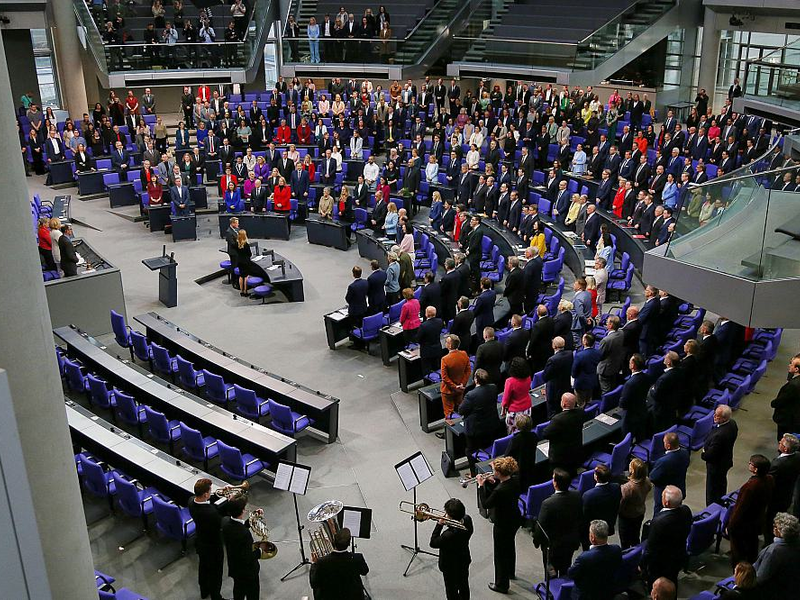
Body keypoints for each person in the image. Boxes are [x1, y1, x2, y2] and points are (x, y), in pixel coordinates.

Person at [478, 456, 521, 594]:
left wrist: (480, 485)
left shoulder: (500, 490)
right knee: (509, 546)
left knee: (500, 554)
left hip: (502, 524)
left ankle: (501, 584)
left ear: (499, 473)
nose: (493, 472)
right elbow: (501, 492)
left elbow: (486, 503)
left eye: (494, 471)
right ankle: (510, 572)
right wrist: (492, 482)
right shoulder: (514, 481)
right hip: (514, 519)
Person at [641, 485, 692, 591]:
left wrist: (642, 564)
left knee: (659, 589)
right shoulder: (686, 511)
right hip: (678, 556)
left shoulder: (659, 522)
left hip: (660, 564)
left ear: (666, 502)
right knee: (672, 582)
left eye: (662, 495)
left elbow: (651, 548)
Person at [728, 454, 774, 565]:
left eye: (751, 464)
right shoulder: (770, 479)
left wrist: (730, 526)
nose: (749, 464)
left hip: (744, 524)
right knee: (752, 544)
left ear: (756, 469)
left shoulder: (750, 487)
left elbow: (740, 508)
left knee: (738, 551)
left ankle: (740, 572)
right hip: (757, 519)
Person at [536, 468, 583, 577]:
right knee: (565, 568)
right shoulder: (577, 496)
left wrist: (537, 541)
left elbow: (541, 525)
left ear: (555, 484)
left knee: (550, 573)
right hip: (570, 542)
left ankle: (551, 591)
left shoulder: (548, 504)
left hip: (552, 547)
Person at [221, 497, 266, 600]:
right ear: (242, 511)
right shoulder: (244, 534)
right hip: (248, 571)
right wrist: (260, 549)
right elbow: (249, 555)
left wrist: (253, 517)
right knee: (253, 594)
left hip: (235, 567)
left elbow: (239, 526)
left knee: (238, 590)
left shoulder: (225, 521)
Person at [188, 479, 225, 600]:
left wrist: (215, 495)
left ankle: (204, 591)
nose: (211, 492)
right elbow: (221, 523)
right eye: (210, 490)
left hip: (200, 541)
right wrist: (228, 501)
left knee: (203, 567)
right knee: (216, 572)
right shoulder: (211, 513)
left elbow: (207, 503)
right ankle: (216, 596)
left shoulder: (191, 501)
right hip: (213, 546)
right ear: (205, 494)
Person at [430, 498, 474, 600]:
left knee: (451, 591)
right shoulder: (467, 519)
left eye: (446, 513)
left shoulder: (448, 535)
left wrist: (439, 525)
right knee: (463, 585)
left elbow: (433, 543)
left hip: (450, 566)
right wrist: (449, 523)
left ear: (451, 516)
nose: (445, 514)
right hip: (463, 560)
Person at [460, 368, 502, 473]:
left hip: (475, 429)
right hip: (491, 424)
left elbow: (461, 410)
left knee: (470, 451)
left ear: (476, 380)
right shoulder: (493, 388)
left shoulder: (471, 395)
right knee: (486, 446)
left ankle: (473, 473)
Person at [568, 520, 623, 600]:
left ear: (592, 538)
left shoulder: (584, 558)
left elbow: (571, 574)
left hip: (587, 595)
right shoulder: (616, 549)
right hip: (608, 591)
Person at [309, 527, 369, 599]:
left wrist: (314, 564)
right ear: (349, 544)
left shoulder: (321, 562)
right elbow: (365, 571)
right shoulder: (357, 558)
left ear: (333, 542)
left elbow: (314, 583)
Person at [753, 512, 800, 597]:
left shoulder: (773, 551)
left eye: (775, 526)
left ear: (779, 531)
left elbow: (760, 578)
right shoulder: (796, 546)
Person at [701, 404, 739, 506]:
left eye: (717, 416)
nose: (714, 417)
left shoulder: (719, 435)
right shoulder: (732, 423)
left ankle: (712, 508)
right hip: (725, 461)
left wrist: (703, 453)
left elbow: (709, 455)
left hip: (716, 466)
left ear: (724, 418)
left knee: (712, 490)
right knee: (721, 485)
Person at [581, 465, 622, 551]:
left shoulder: (588, 495)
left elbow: (585, 516)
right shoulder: (616, 487)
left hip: (593, 528)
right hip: (609, 523)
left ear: (596, 477)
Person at [649, 432, 690, 514]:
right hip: (679, 490)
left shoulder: (664, 462)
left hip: (664, 494)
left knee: (659, 515)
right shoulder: (685, 453)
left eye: (664, 442)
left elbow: (653, 477)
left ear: (668, 446)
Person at [544, 393, 584, 476]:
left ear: (564, 404)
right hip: (575, 451)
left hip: (560, 457)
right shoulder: (580, 412)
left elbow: (545, 434)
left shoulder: (558, 419)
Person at [618, 458, 652, 549]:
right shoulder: (647, 481)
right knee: (635, 535)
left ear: (632, 471)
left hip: (627, 516)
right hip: (640, 512)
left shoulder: (627, 488)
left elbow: (621, 505)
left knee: (625, 540)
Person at [440, 334, 471, 421]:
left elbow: (444, 378)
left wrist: (454, 386)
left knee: (448, 413)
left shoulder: (445, 359)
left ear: (450, 345)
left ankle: (448, 432)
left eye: (446, 342)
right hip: (460, 389)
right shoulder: (464, 354)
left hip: (448, 391)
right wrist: (462, 384)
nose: (445, 343)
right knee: (460, 409)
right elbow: (468, 371)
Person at [771, 354, 800, 441]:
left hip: (787, 418)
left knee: (782, 440)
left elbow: (781, 400)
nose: (789, 365)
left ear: (796, 369)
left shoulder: (793, 385)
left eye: (791, 364)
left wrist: (773, 403)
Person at [542, 337, 573, 418]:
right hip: (566, 385)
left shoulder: (552, 360)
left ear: (554, 346)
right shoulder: (570, 353)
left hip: (554, 390)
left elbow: (545, 377)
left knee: (552, 412)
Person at [501, 357, 532, 434]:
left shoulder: (510, 381)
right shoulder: (528, 377)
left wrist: (503, 409)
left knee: (512, 432)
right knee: (525, 428)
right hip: (527, 408)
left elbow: (505, 399)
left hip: (514, 411)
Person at [572, 333, 600, 407]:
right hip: (592, 381)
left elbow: (574, 373)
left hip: (581, 384)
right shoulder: (598, 353)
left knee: (581, 404)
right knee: (589, 401)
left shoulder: (579, 355)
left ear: (585, 342)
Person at [235, 230, 253, 297]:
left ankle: (241, 291)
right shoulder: (246, 245)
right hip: (246, 262)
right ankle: (245, 291)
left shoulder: (237, 244)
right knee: (246, 276)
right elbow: (249, 254)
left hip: (239, 262)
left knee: (241, 276)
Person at [225, 217, 240, 288]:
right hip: (233, 252)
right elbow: (232, 243)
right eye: (237, 223)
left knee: (238, 266)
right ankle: (234, 282)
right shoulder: (229, 232)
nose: (238, 224)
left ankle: (238, 280)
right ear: (232, 223)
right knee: (234, 267)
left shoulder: (237, 229)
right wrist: (241, 243)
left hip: (238, 251)